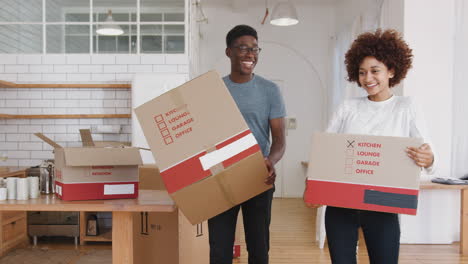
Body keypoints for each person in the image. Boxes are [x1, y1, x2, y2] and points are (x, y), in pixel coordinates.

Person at [305, 29, 436, 264]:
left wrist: (429, 158)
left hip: (383, 206)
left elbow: (429, 153)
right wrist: (314, 187)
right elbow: (326, 151)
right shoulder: (347, 107)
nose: (368, 79)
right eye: (362, 72)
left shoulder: (407, 107)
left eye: (375, 71)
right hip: (341, 205)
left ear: (392, 71)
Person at [208, 24, 286, 264]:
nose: (250, 54)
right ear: (228, 52)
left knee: (259, 248)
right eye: (243, 48)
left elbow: (280, 139)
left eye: (254, 49)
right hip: (221, 177)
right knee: (220, 250)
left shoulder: (270, 90)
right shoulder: (213, 90)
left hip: (257, 176)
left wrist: (270, 161)